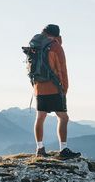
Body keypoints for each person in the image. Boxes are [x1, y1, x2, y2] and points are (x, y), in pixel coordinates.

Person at [33, 24, 81, 159]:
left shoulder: (36, 46)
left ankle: (39, 149)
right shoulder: (55, 47)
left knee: (40, 118)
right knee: (63, 118)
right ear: (57, 35)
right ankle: (63, 150)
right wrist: (64, 89)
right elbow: (62, 70)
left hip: (38, 87)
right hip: (54, 87)